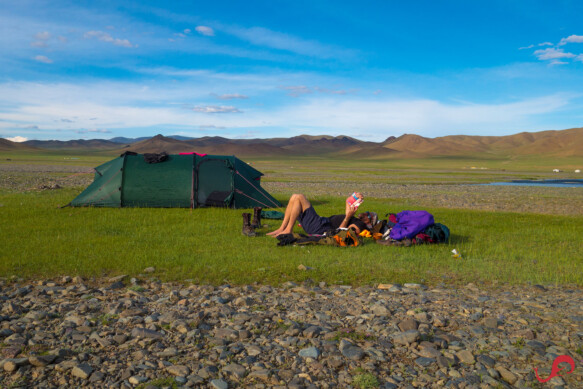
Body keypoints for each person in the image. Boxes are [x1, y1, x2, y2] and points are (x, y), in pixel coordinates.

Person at [267, 193, 369, 237]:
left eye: (368, 215)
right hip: (319, 223)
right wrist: (354, 197)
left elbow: (342, 234)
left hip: (320, 228)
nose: (365, 213)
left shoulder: (360, 225)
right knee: (294, 197)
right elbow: (348, 203)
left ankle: (288, 230)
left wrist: (347, 217)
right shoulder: (354, 218)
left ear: (368, 222)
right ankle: (282, 228)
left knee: (300, 197)